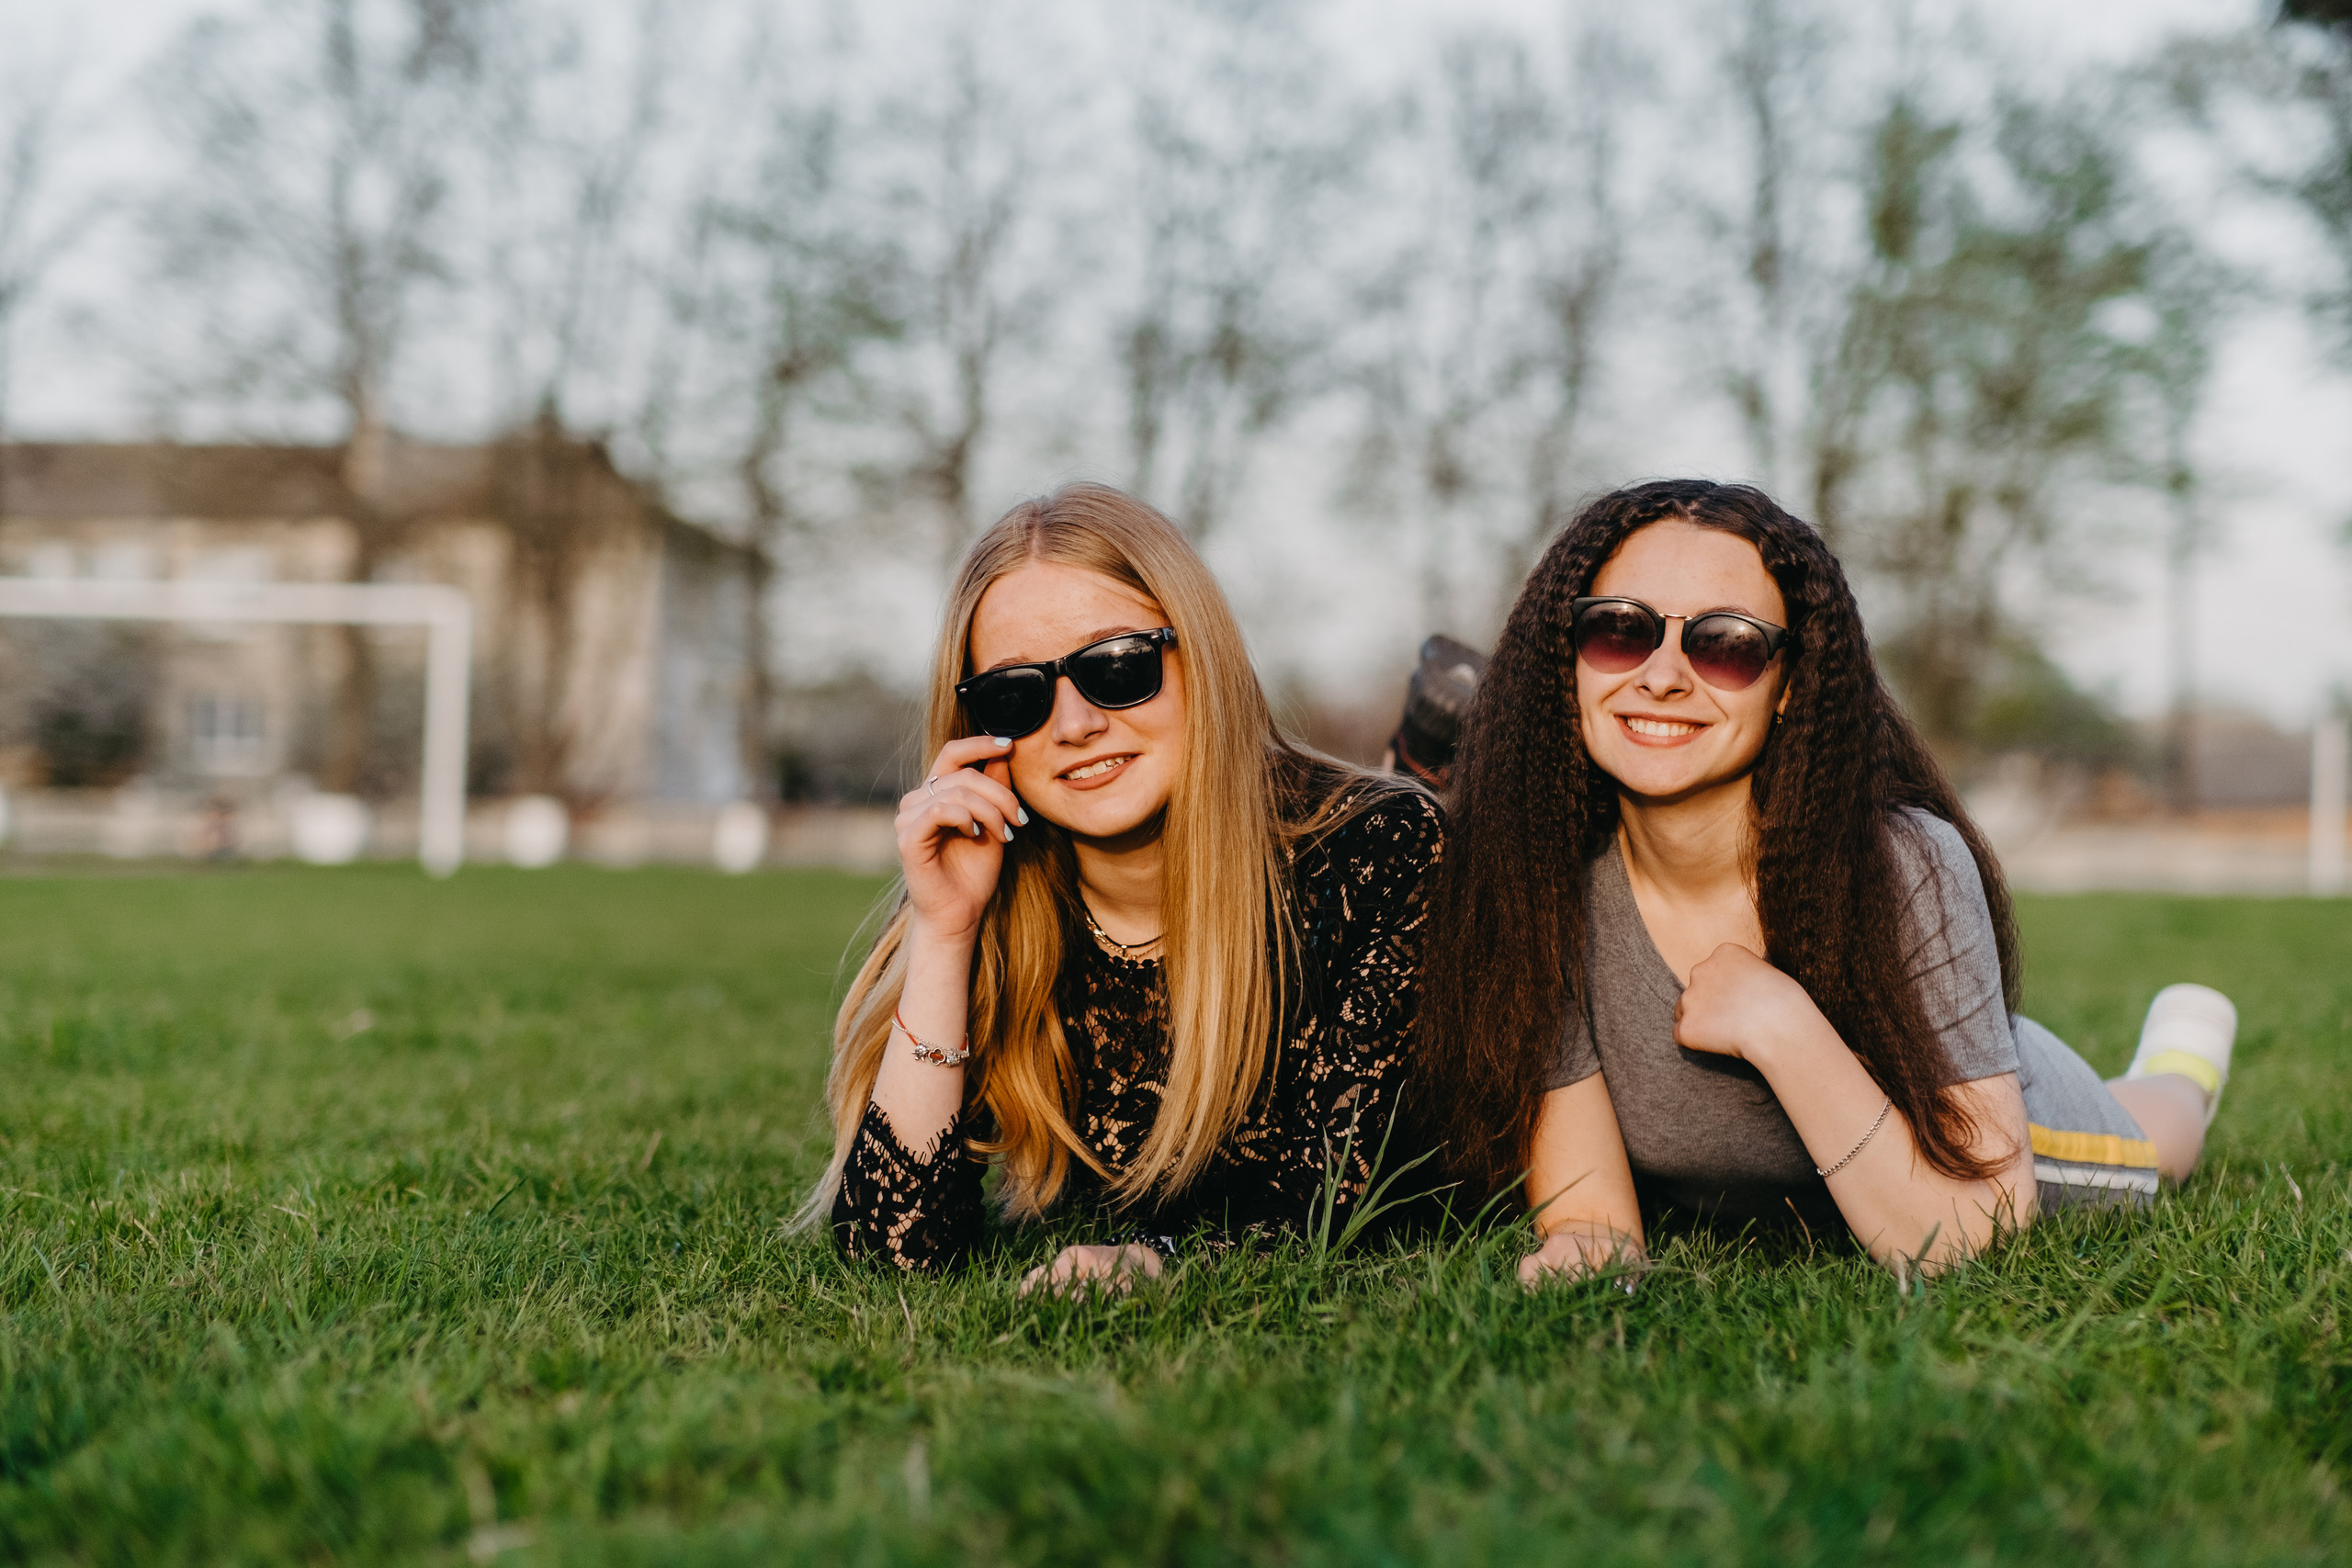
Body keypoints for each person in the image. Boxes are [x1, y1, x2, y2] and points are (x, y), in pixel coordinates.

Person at [1412, 479, 2237, 1282]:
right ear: (1571, 658)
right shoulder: (1533, 881)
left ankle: (2185, 1056)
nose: (1661, 674)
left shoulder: (1903, 862)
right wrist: (1585, 1248)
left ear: (1790, 686)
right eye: (1620, 631)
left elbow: (1972, 1231)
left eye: (1724, 642)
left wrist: (1783, 1025)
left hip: (2009, 1125)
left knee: (2160, 1133)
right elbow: (1592, 1216)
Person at [809, 482, 1443, 1287]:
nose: (1074, 723)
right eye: (1018, 694)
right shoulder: (986, 878)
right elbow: (888, 1249)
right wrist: (945, 933)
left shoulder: (1375, 852)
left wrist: (1159, 1262)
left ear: (1199, 657)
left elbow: (1337, 1196)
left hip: (1387, 824)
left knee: (1452, 815)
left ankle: (1431, 751)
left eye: (1119, 666)